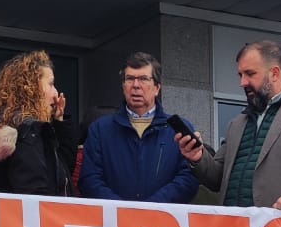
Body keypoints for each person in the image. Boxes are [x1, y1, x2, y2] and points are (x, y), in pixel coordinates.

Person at [176, 39, 281, 215]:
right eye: (240, 75)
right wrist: (198, 157)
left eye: (250, 73)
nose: (242, 82)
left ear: (274, 73)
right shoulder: (237, 123)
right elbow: (217, 178)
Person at [77, 53, 197, 204]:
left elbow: (188, 179)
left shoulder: (178, 130)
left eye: (143, 79)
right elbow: (89, 179)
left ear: (157, 87)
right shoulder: (100, 130)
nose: (135, 85)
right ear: (123, 86)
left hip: (162, 221)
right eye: (130, 79)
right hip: (113, 222)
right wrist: (122, 210)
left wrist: (151, 208)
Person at [0, 50, 74, 196]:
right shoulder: (26, 131)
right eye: (51, 84)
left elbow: (62, 173)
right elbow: (35, 192)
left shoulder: (19, 127)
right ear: (31, 88)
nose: (56, 94)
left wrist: (59, 122)